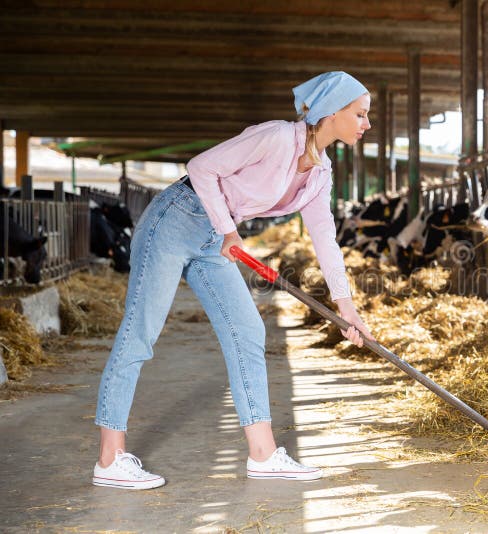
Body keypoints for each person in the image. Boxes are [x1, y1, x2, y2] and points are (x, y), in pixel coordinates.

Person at [92, 71, 375, 490]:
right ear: (332, 113)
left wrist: (346, 307)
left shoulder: (320, 173)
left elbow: (326, 240)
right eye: (361, 114)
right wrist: (228, 230)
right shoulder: (279, 137)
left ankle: (263, 454)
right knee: (141, 333)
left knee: (247, 329)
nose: (366, 124)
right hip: (177, 218)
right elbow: (200, 167)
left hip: (215, 238)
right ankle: (109, 459)